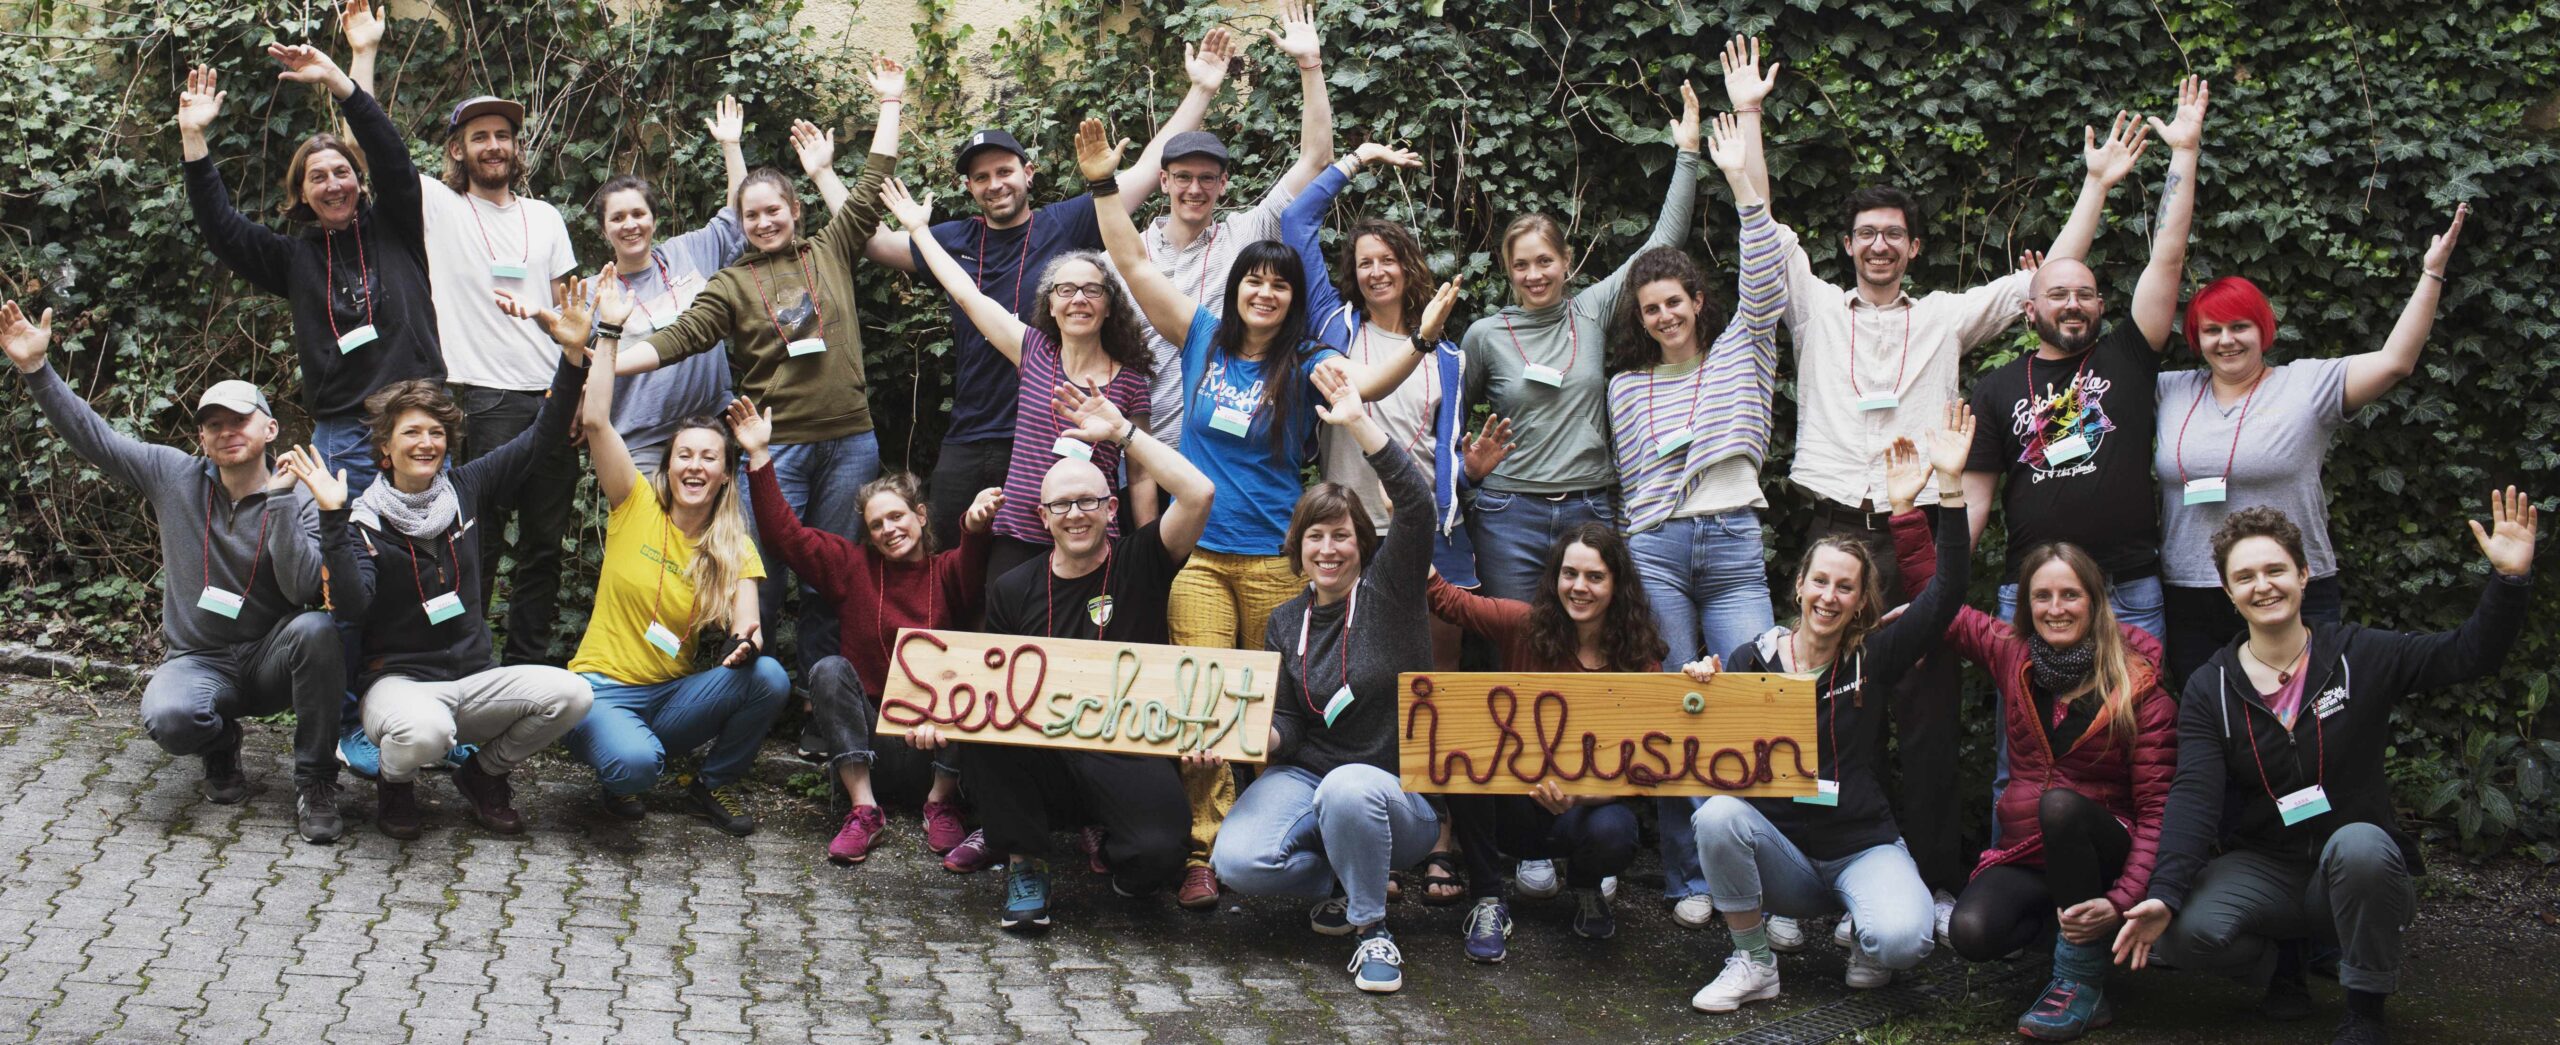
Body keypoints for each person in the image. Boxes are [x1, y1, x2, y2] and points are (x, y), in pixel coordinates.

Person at [1766, 39, 2160, 935]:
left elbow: (2051, 283)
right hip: (1837, 526)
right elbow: (1760, 217)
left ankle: (1935, 883)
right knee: (1812, 701)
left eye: (1893, 234)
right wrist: (1748, 120)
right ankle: (1804, 874)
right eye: (1864, 233)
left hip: (1916, 527)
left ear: (1913, 246)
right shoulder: (1819, 305)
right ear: (1848, 244)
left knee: (1929, 713)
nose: (1878, 244)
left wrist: (2094, 186)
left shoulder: (1947, 317)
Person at [1085, 117, 1425, 910]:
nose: (1265, 291)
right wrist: (1105, 184)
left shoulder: (1307, 363)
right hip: (1200, 556)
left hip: (1280, 561)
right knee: (1208, 706)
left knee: (1283, 714)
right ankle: (1208, 849)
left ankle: (1302, 839)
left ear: (1292, 297)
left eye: (1279, 284)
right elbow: (1131, 260)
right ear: (1235, 288)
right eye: (1253, 281)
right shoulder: (1200, 336)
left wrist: (1424, 340)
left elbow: (1365, 392)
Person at [2115, 495, 2535, 1045]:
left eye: (2275, 570)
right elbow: (2194, 795)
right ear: (2227, 591)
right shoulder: (2210, 686)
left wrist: (2508, 582)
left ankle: (2364, 1011)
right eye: (2245, 576)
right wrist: (2165, 893)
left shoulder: (2358, 654)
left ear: (2304, 574)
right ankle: (2281, 967)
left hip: (2357, 863)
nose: (2262, 585)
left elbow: (2466, 654)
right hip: (2265, 866)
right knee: (2180, 935)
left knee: (2360, 847)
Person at [863, 28, 1235, 548]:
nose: (995, 183)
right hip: (971, 433)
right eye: (982, 177)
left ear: (1028, 173)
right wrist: (860, 136)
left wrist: (1201, 91)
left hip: (1042, 431)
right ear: (969, 187)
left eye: (1005, 170)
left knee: (1054, 556)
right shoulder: (955, 238)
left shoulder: (1067, 223)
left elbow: (1150, 172)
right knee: (953, 560)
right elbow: (872, 241)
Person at [5, 302, 344, 843]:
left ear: (271, 428)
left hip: (270, 659)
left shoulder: (303, 492)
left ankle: (316, 779)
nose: (227, 431)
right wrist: (36, 370)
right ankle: (219, 746)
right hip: (199, 659)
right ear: (202, 438)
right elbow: (96, 439)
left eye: (239, 420)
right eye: (214, 425)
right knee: (169, 718)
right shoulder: (173, 475)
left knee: (319, 631)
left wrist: (280, 503)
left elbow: (305, 589)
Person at [612, 63, 907, 674]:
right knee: (760, 575)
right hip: (776, 450)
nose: (764, 222)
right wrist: (607, 363)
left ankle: (827, 705)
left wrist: (891, 103)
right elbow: (682, 337)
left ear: (795, 211)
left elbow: (875, 181)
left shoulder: (830, 249)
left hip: (851, 442)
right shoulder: (731, 282)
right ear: (740, 223)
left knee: (835, 576)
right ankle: (749, 690)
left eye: (775, 210)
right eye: (752, 215)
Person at [902, 381, 1218, 935]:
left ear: (1111, 508)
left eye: (1089, 501)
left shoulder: (1141, 561)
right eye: (1061, 505)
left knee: (1156, 859)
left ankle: (1114, 843)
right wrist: (937, 720)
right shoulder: (1012, 588)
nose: (1076, 514)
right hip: (1041, 755)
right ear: (1043, 517)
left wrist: (1123, 432)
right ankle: (1027, 862)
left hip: (1124, 749)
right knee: (985, 735)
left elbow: (1198, 494)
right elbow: (984, 691)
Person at [1278, 140, 1505, 905]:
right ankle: (1367, 832)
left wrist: (1466, 476)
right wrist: (1361, 158)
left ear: (1410, 266)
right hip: (1349, 541)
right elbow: (1295, 216)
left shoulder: (1449, 357)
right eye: (1365, 260)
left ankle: (1435, 831)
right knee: (1360, 690)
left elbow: (1433, 453)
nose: (1376, 270)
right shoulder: (1334, 329)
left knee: (1430, 690)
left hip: (1427, 538)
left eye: (1388, 259)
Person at [1685, 411, 1973, 1013]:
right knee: (1715, 817)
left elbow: (1946, 594)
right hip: (1782, 853)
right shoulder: (1752, 656)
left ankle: (1867, 935)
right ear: (1800, 587)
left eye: (1845, 587)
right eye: (1821, 582)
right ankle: (1754, 963)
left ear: (1860, 600)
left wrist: (1939, 492)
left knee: (1902, 940)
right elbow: (1699, 745)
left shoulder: (1876, 655)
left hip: (1861, 844)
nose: (1829, 597)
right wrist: (1702, 689)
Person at [287, 289, 596, 840]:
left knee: (573, 695)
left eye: (436, 432)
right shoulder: (362, 522)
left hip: (471, 683)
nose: (426, 443)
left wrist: (572, 358)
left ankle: (484, 775)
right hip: (398, 688)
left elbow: (541, 439)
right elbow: (352, 608)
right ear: (385, 449)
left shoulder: (466, 488)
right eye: (411, 432)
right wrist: (333, 521)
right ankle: (396, 785)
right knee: (424, 732)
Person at [498, 281, 790, 835]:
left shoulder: (731, 544)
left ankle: (712, 780)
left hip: (671, 698)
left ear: (726, 473)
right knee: (636, 765)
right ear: (669, 465)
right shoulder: (634, 503)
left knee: (770, 676)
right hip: (599, 692)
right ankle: (625, 765)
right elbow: (598, 422)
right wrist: (607, 332)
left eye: (709, 457)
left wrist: (746, 640)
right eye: (685, 455)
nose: (695, 466)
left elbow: (747, 619)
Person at [347, 0, 583, 666]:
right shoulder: (438, 206)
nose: (494, 145)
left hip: (549, 401)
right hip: (476, 400)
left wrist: (581, 398)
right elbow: (376, 147)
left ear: (516, 146)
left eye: (504, 135)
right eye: (479, 136)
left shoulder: (548, 218)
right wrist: (363, 54)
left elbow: (574, 320)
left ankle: (528, 670)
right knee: (475, 546)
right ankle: (465, 665)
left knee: (543, 547)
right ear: (457, 149)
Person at [2152, 206, 2469, 685]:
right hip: (2192, 591)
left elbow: (2396, 362)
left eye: (2239, 326)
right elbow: (2099, 378)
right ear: (2196, 339)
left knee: (2306, 720)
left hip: (2293, 587)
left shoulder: (2306, 385)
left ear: (2263, 330)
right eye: (2211, 330)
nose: (2226, 340)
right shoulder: (2169, 390)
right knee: (2211, 722)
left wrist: (2432, 272)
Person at [1606, 85, 1787, 928]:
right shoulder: (1625, 386)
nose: (1665, 313)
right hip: (1657, 551)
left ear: (1696, 302)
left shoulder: (1745, 348)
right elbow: (1635, 481)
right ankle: (1686, 877)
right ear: (1640, 319)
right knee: (1678, 704)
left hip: (1733, 541)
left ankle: (1765, 875)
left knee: (1754, 695)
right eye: (1651, 308)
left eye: (1675, 300)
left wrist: (1742, 179)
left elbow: (1767, 273)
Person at [1887, 515, 2175, 1040]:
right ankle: (2061, 934)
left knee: (2061, 805)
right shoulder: (2013, 652)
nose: (2056, 608)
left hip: (2105, 849)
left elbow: (2159, 812)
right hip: (2031, 853)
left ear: (2094, 601)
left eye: (2070, 595)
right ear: (2026, 605)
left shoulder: (2140, 688)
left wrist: (2120, 901)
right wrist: (1908, 513)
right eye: (2042, 596)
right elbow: (1940, 600)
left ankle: (2080, 983)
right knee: (1970, 932)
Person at [1207, 367, 1438, 993]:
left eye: (1341, 536)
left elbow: (1417, 504)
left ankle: (1372, 931)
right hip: (1306, 778)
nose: (1328, 549)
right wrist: (1243, 738)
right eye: (1316, 537)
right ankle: (1344, 876)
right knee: (1236, 862)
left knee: (1348, 788)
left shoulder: (1392, 593)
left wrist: (1358, 421)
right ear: (1299, 548)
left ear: (1362, 543)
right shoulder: (1286, 621)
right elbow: (1284, 721)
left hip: (1397, 794)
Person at [1458, 79, 1700, 605]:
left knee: (1592, 646)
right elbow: (1445, 424)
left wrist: (1686, 153)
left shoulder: (1591, 310)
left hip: (1589, 510)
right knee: (1516, 645)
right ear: (1508, 271)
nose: (1535, 274)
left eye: (1545, 261)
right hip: (1507, 513)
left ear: (1567, 263)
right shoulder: (1484, 335)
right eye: (1521, 265)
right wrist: (1466, 473)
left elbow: (1664, 240)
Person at [731, 397, 998, 866]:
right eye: (876, 525)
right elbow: (784, 537)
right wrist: (759, 455)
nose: (888, 529)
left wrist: (975, 527)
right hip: (869, 745)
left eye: (896, 517)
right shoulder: (851, 567)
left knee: (972, 663)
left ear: (920, 516)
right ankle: (863, 810)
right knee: (830, 668)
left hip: (937, 745)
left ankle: (941, 803)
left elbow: (974, 562)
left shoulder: (946, 570)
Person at [175, 44, 435, 493]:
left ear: (359, 180)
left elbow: (392, 158)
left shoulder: (398, 223)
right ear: (302, 193)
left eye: (342, 172)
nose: (333, 184)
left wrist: (339, 83)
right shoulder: (293, 259)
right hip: (345, 434)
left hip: (418, 421)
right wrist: (193, 138)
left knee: (429, 550)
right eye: (317, 177)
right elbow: (223, 231)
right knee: (348, 553)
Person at [882, 178, 1153, 583]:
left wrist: (1150, 552)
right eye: (1066, 289)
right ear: (1050, 304)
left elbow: (1142, 475)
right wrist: (919, 230)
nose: (1079, 298)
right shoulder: (1033, 350)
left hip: (1094, 539)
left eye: (1092, 290)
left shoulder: (1130, 382)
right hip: (1021, 536)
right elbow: (966, 294)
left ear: (1110, 306)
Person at [1423, 523, 1663, 962]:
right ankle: (1489, 899)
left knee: (1617, 832)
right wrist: (1414, 523)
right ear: (1555, 578)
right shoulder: (1525, 624)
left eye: (1595, 577)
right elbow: (1445, 599)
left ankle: (1587, 886)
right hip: (1509, 808)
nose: (1579, 587)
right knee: (1461, 756)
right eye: (1570, 574)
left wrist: (1579, 796)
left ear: (1617, 584)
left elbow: (1646, 768)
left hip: (1583, 815)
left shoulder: (1638, 658)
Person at [1131, 2, 1337, 449]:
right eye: (1183, 177)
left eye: (1208, 178)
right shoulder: (1129, 257)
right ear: (1163, 180)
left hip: (1226, 452)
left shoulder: (1246, 234)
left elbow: (1316, 159)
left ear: (1224, 184)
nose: (1194, 189)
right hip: (1144, 457)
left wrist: (1309, 64)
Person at [585, 96, 750, 476]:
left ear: (654, 219)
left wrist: (731, 146)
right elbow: (574, 359)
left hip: (710, 428)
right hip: (639, 441)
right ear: (604, 229)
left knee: (714, 534)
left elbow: (738, 218)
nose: (630, 224)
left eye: (639, 214)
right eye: (618, 217)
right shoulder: (598, 290)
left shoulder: (689, 251)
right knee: (649, 536)